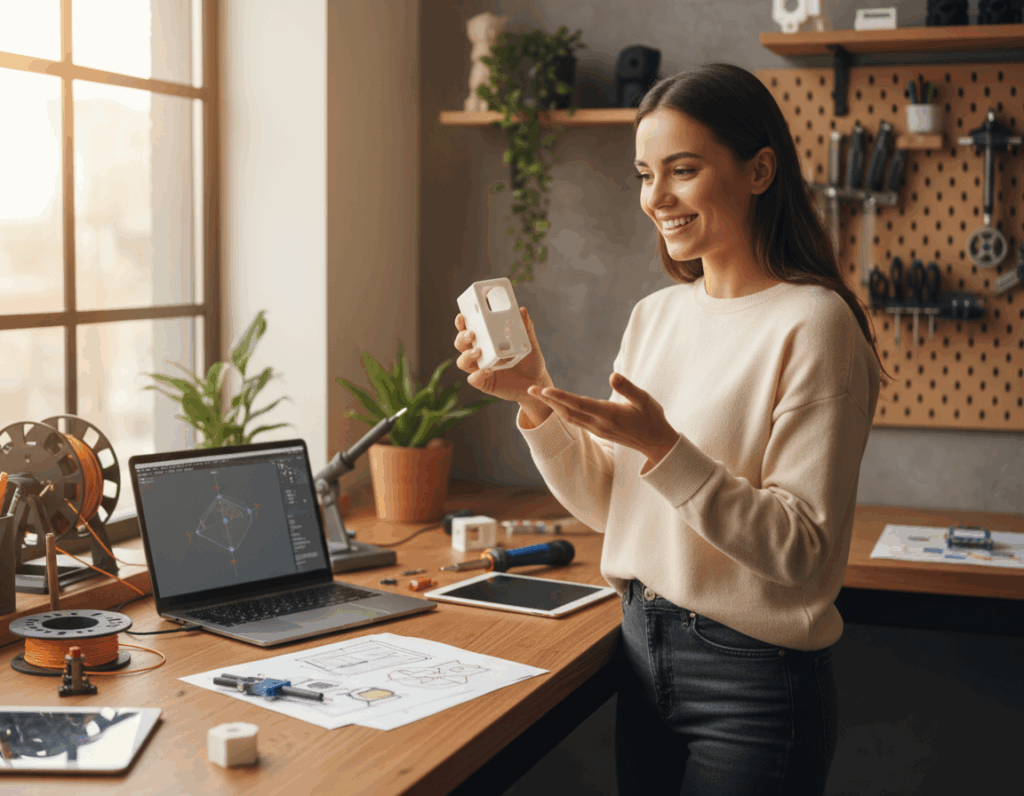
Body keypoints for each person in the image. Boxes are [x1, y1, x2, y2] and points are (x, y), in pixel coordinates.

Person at [453, 62, 890, 795]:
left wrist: (664, 448)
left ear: (758, 170)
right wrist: (531, 396)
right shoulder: (655, 316)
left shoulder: (816, 325)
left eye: (681, 170)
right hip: (638, 649)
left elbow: (803, 553)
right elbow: (611, 507)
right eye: (644, 175)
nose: (656, 198)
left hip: (751, 684)